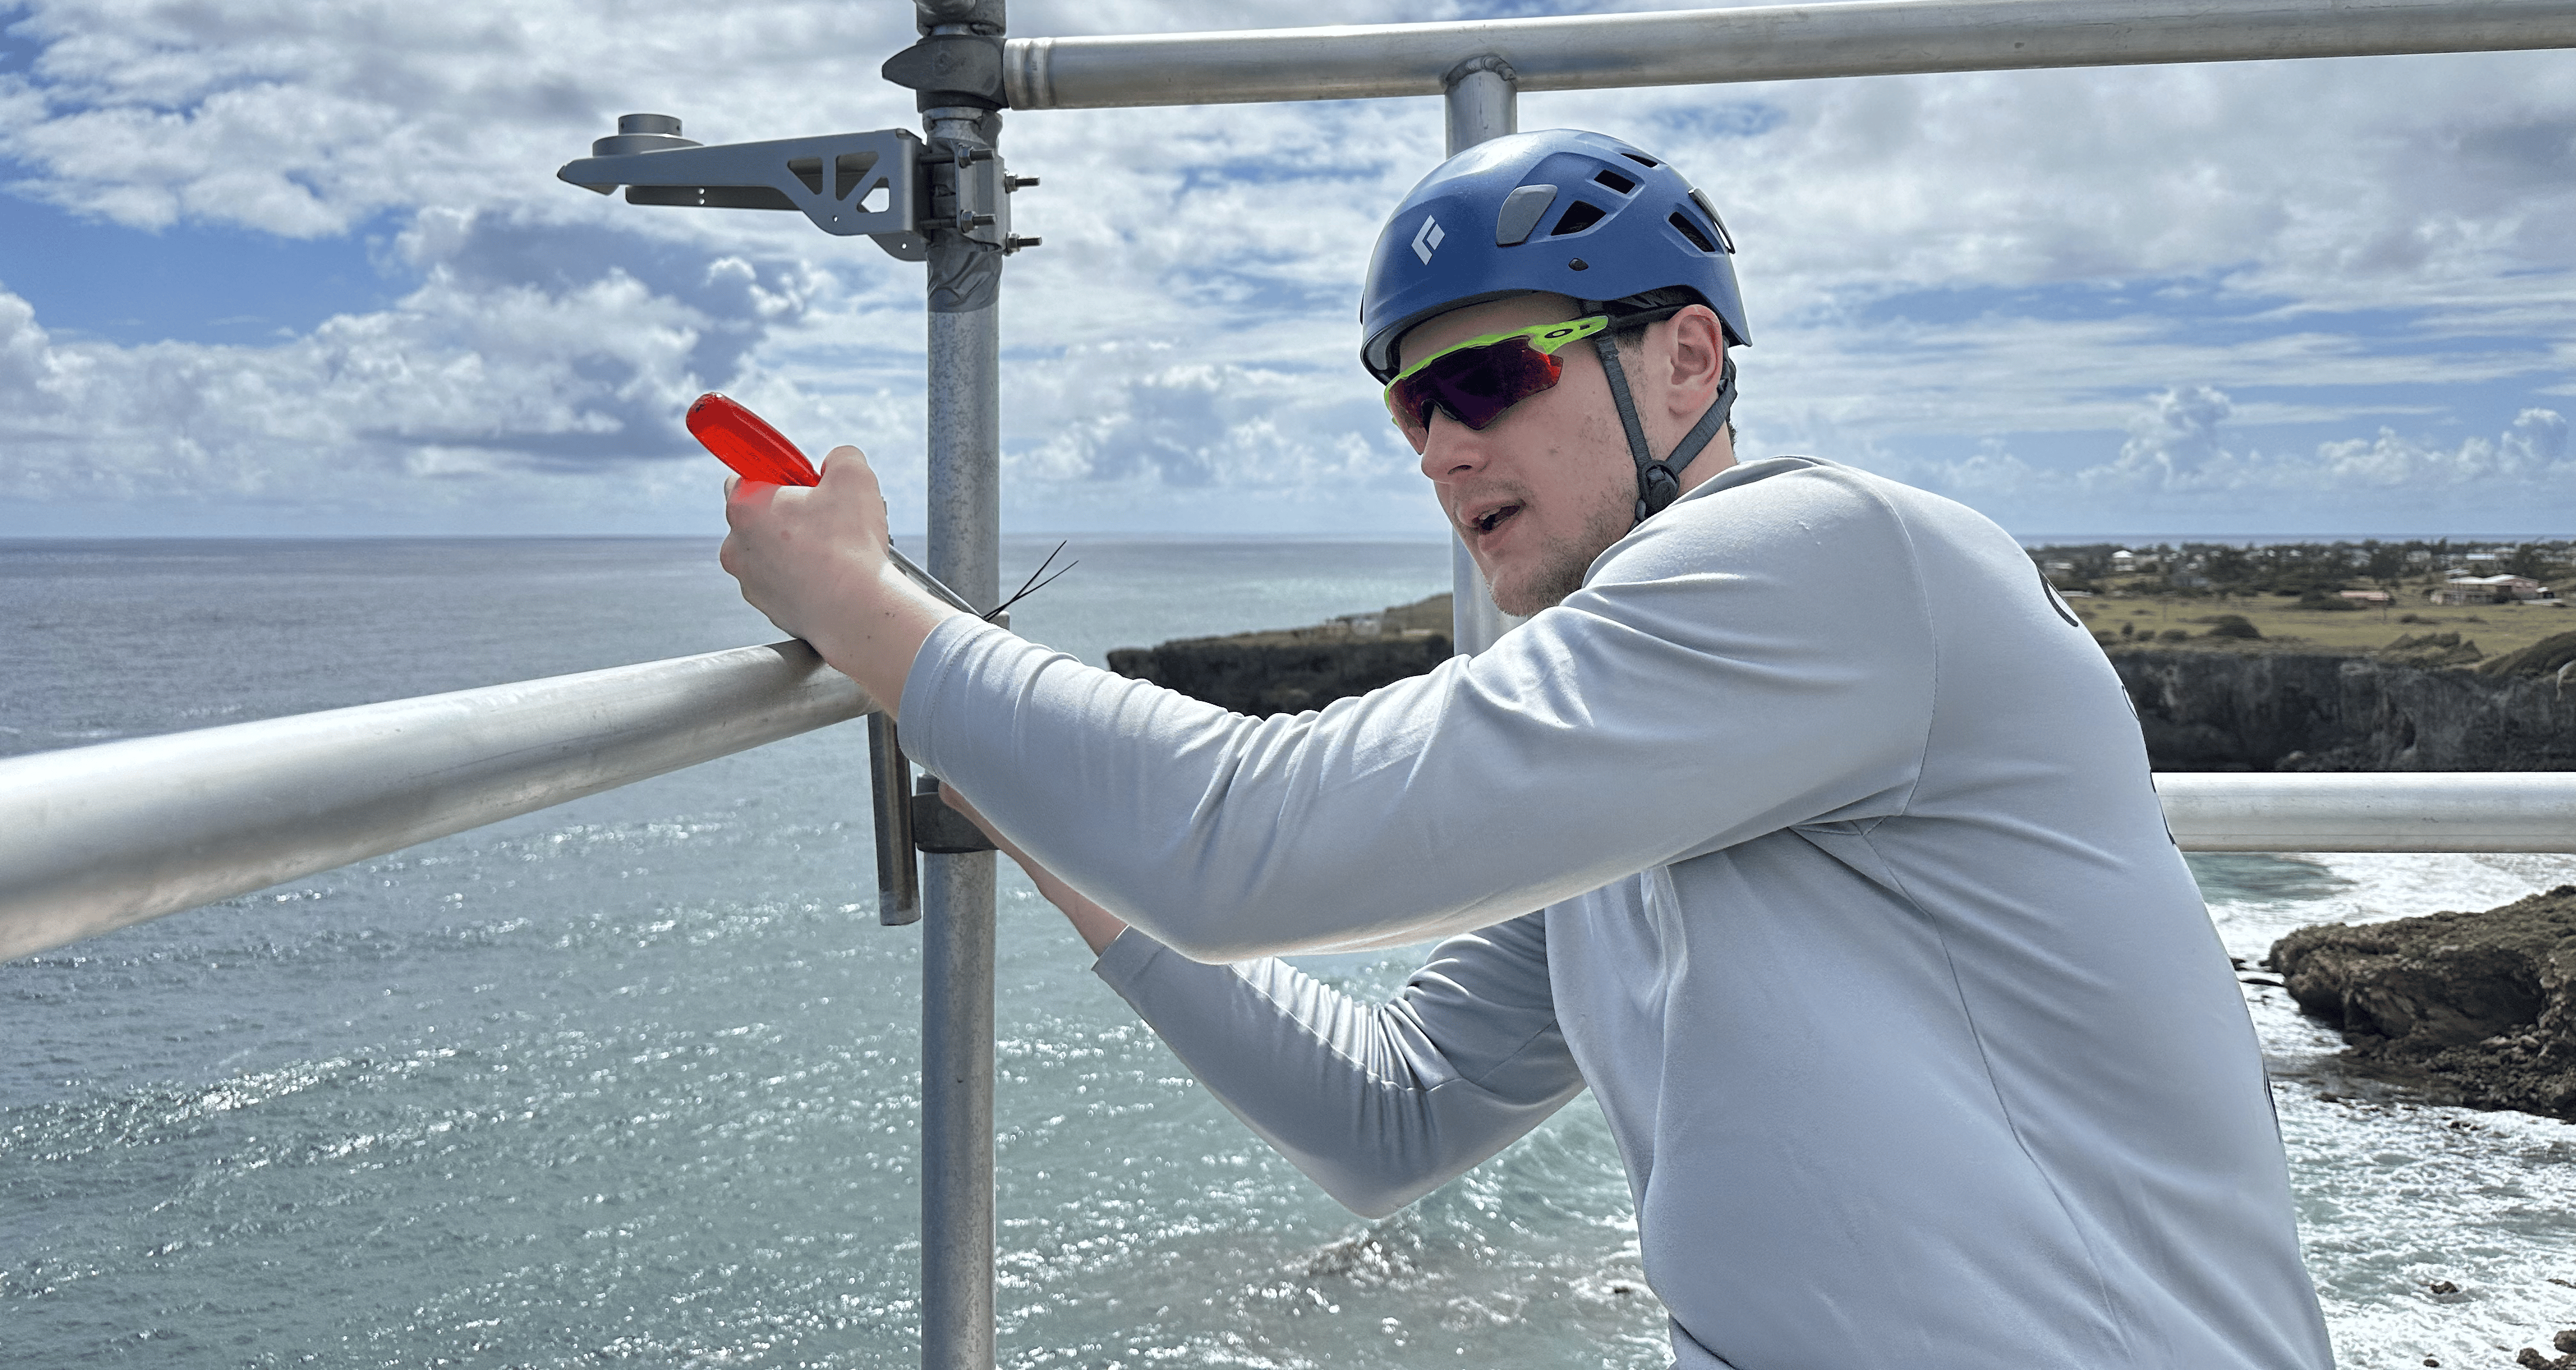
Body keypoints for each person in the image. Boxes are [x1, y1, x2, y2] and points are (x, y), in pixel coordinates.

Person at [721, 128, 2333, 1370]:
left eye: (1488, 376)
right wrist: (1020, 789)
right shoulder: (1667, 747)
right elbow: (1395, 1113)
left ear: (1688, 362)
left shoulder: (1826, 560)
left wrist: (860, 611)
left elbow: (1242, 840)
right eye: (1409, 410)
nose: (1443, 446)